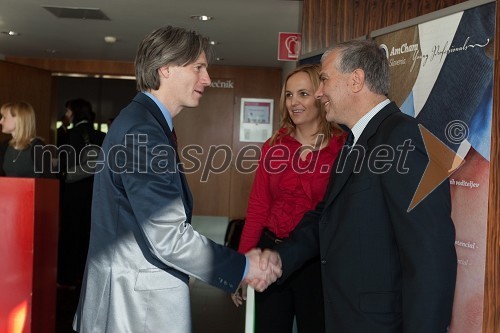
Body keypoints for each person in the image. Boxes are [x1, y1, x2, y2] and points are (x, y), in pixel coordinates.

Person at [73, 25, 280, 333]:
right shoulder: (143, 131)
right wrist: (245, 267)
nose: (207, 79)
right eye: (198, 67)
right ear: (165, 68)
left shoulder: (145, 123)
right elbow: (167, 237)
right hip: (133, 309)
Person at [260, 39, 457, 332]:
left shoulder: (403, 138)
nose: (319, 92)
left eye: (324, 79)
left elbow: (429, 257)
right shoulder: (354, 141)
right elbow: (326, 217)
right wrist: (277, 259)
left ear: (356, 80)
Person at [231, 64, 345, 333]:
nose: (294, 102)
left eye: (303, 94)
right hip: (271, 253)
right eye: (290, 95)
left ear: (320, 95)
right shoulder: (274, 146)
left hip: (318, 262)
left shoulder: (343, 147)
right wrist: (243, 264)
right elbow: (258, 207)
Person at [57, 98, 105, 287]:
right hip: (95, 193)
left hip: (72, 192)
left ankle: (68, 277)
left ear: (75, 113)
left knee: (70, 234)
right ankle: (88, 277)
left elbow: (63, 164)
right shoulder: (101, 136)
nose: (66, 115)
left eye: (68, 111)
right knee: (89, 234)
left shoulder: (68, 134)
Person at [0, 101, 52, 178]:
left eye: (4, 117)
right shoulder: (5, 145)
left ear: (19, 119)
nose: (0, 121)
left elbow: (49, 182)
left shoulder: (38, 147)